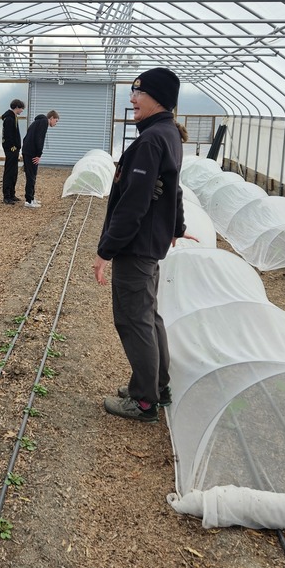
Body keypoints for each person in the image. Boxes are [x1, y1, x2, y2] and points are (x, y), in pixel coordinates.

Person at [93, 67, 191, 423]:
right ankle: (157, 386)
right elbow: (174, 188)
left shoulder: (151, 140)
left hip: (136, 246)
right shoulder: (168, 134)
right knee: (149, 316)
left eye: (139, 93)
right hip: (149, 243)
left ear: (158, 98)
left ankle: (144, 401)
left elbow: (133, 204)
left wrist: (106, 250)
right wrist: (176, 225)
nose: (132, 98)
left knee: (134, 320)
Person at [21, 109, 60, 208]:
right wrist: (39, 154)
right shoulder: (43, 123)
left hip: (28, 151)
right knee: (31, 176)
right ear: (51, 118)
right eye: (56, 121)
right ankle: (29, 201)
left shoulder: (38, 122)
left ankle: (31, 197)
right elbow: (39, 139)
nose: (55, 124)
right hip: (31, 153)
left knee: (32, 175)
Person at [1, 98, 25, 204]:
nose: (22, 111)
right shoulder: (9, 119)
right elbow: (8, 135)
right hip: (11, 149)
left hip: (14, 148)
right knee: (9, 172)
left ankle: (12, 193)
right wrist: (13, 147)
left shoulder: (13, 117)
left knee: (14, 172)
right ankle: (7, 196)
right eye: (21, 108)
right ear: (17, 107)